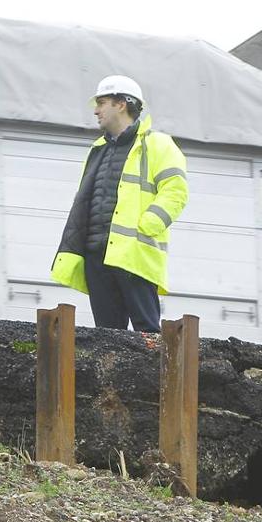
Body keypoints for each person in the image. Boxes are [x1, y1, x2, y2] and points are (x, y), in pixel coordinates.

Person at [51, 75, 189, 333]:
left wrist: (148, 225)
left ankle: (150, 375)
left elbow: (176, 190)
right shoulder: (97, 149)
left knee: (146, 334)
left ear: (121, 104)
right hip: (97, 256)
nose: (96, 110)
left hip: (134, 255)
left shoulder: (157, 144)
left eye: (102, 103)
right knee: (107, 338)